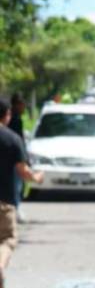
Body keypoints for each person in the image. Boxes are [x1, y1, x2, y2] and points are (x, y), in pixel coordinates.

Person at [0, 99, 45, 288]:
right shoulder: (12, 139)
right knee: (7, 240)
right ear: (7, 115)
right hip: (4, 202)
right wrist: (36, 177)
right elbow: (22, 171)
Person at [9, 92, 25, 222]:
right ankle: (16, 209)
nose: (23, 107)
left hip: (13, 156)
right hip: (14, 158)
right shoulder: (14, 120)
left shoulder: (17, 119)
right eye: (21, 104)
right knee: (17, 185)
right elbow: (18, 140)